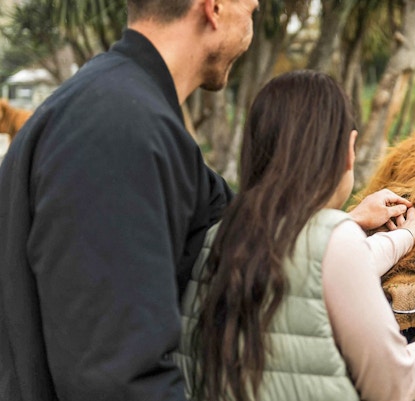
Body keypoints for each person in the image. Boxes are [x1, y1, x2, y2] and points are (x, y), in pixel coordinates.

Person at [0, 0, 259, 400]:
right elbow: (117, 379)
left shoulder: (125, 105)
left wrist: (340, 230)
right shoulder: (118, 128)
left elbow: (237, 221)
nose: (256, 5)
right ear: (215, 8)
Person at [179, 70, 415, 401]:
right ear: (349, 151)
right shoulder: (335, 242)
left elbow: (318, 263)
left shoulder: (217, 238)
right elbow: (391, 386)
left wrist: (404, 237)